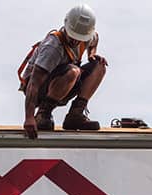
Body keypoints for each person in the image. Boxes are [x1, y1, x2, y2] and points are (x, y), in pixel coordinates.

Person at [20, 4, 108, 139]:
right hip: (39, 90)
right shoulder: (53, 46)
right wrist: (29, 118)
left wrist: (92, 54)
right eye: (74, 36)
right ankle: (43, 114)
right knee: (74, 71)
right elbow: (34, 82)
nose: (76, 40)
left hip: (66, 81)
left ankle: (75, 114)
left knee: (99, 66)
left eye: (80, 38)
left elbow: (94, 40)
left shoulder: (87, 36)